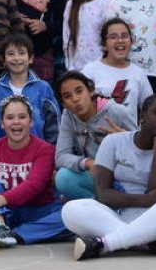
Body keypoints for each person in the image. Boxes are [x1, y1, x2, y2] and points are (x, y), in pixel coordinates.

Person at [60, 94, 156, 260]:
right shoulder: (113, 142)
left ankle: (103, 244)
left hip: (151, 218)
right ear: (143, 116)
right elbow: (103, 194)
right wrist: (144, 199)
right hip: (113, 214)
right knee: (70, 210)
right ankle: (146, 242)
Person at [0, 96, 69, 248]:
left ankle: (15, 234)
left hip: (37, 212)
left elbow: (35, 185)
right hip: (2, 213)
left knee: (68, 216)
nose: (16, 122)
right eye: (10, 117)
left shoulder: (44, 150)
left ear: (31, 121)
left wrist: (3, 198)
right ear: (2, 123)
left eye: (22, 117)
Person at [54, 71, 137, 200]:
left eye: (79, 91)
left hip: (123, 178)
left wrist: (125, 139)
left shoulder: (116, 111)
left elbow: (143, 149)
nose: (75, 99)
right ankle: (102, 208)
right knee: (63, 178)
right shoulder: (68, 116)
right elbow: (61, 156)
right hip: (96, 176)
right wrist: (87, 163)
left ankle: (115, 206)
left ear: (91, 91)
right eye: (67, 96)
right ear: (63, 103)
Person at [0, 34, 61, 144]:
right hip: (6, 155)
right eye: (11, 54)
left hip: (39, 153)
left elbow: (54, 124)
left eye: (21, 53)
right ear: (3, 60)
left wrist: (52, 152)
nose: (16, 58)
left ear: (30, 58)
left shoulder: (43, 88)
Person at [80, 18, 154, 123]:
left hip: (128, 137)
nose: (120, 41)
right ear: (104, 45)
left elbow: (150, 110)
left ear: (131, 41)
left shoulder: (138, 73)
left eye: (124, 36)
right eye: (113, 37)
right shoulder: (90, 71)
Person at [63, 0, 117, 72]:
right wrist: (70, 67)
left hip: (102, 69)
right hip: (77, 70)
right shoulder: (71, 5)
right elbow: (67, 39)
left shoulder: (107, 3)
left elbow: (110, 38)